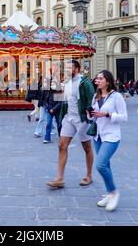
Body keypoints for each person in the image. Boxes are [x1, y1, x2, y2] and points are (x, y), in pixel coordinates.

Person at [46, 60, 95, 189]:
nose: (67, 70)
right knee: (62, 146)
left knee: (87, 148)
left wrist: (90, 111)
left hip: (82, 119)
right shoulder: (66, 82)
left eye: (70, 68)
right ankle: (60, 179)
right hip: (69, 118)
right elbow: (64, 99)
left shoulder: (84, 82)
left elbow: (92, 98)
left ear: (77, 69)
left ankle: (89, 175)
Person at [87, 70, 128, 212]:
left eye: (100, 78)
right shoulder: (95, 96)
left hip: (112, 136)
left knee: (100, 165)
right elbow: (93, 118)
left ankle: (113, 192)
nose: (97, 81)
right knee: (106, 166)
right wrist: (90, 114)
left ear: (108, 81)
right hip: (98, 136)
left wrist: (108, 114)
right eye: (96, 78)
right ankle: (109, 194)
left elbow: (124, 117)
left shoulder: (116, 97)